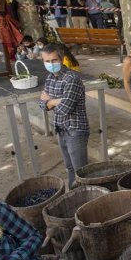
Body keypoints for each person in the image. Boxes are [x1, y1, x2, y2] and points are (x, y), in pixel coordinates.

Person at [38, 43, 89, 187]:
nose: (51, 64)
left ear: (61, 59)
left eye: (54, 60)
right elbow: (42, 104)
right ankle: (75, 193)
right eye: (47, 61)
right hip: (61, 128)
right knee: (70, 167)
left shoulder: (71, 79)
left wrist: (49, 101)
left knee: (81, 171)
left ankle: (87, 198)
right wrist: (54, 101)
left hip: (75, 130)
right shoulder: (50, 78)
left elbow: (65, 109)